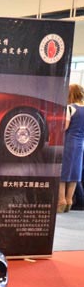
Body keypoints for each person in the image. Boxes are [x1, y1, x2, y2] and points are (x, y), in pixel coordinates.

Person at [59, 83, 84, 212]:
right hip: (80, 144)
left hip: (68, 143)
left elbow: (65, 127)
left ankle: (61, 201)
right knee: (75, 173)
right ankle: (69, 201)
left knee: (62, 172)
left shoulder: (69, 108)